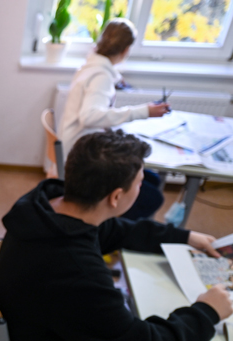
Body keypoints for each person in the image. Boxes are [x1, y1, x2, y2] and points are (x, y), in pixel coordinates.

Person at [0, 130, 233, 341]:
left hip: (37, 339)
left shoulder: (48, 204)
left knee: (140, 322)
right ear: (116, 196)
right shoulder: (74, 269)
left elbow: (112, 230)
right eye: (140, 183)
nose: (143, 188)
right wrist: (207, 312)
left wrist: (184, 236)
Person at [57, 18, 170, 220]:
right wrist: (143, 111)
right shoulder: (101, 76)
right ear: (126, 50)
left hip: (76, 143)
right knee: (152, 196)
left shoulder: (92, 66)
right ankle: (111, 231)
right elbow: (90, 117)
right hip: (81, 154)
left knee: (150, 178)